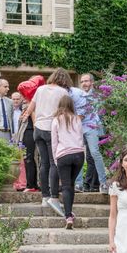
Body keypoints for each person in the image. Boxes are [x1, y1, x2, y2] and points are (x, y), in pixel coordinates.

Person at [22, 68, 72, 216]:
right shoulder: (63, 92)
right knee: (53, 162)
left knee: (43, 163)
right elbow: (64, 113)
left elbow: (30, 109)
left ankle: (45, 197)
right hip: (52, 129)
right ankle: (54, 196)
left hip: (38, 129)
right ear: (64, 80)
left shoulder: (40, 89)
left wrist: (37, 123)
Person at [51, 95, 85, 229]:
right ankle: (69, 213)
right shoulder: (77, 119)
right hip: (78, 155)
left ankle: (68, 216)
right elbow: (81, 138)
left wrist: (55, 158)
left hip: (63, 155)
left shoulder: (56, 120)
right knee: (70, 185)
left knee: (65, 186)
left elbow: (54, 142)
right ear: (71, 105)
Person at [74, 73, 108, 194]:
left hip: (91, 127)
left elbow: (99, 112)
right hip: (78, 128)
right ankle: (78, 184)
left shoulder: (96, 96)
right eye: (82, 81)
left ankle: (103, 183)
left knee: (94, 153)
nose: (84, 83)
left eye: (86, 81)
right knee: (78, 155)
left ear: (92, 82)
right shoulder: (77, 95)